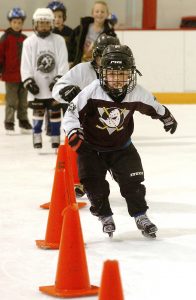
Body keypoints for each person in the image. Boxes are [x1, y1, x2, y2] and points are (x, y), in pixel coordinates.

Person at [62, 45, 178, 239]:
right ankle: (105, 216)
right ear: (102, 73)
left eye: (122, 74)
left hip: (122, 148)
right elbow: (70, 115)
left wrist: (166, 117)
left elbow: (154, 106)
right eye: (112, 74)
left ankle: (141, 215)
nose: (117, 79)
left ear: (131, 74)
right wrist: (75, 136)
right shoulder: (91, 92)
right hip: (91, 150)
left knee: (133, 184)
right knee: (94, 185)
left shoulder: (137, 93)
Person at [52, 33, 120, 197]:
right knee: (75, 142)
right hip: (81, 122)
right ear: (95, 55)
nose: (105, 61)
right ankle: (77, 182)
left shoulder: (120, 75)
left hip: (107, 123)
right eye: (102, 56)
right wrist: (65, 91)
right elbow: (57, 89)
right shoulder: (82, 70)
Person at [21, 8, 69, 149]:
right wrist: (28, 81)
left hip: (54, 87)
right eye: (40, 23)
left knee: (55, 112)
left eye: (46, 23)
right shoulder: (29, 42)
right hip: (38, 86)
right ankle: (36, 135)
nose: (43, 26)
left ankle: (55, 137)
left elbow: (63, 62)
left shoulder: (58, 40)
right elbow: (25, 64)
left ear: (52, 24)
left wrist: (58, 80)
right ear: (35, 24)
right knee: (38, 112)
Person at [0, 7, 32, 133]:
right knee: (11, 101)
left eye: (19, 22)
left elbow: (29, 57)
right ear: (10, 22)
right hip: (10, 76)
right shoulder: (5, 38)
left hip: (23, 76)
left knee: (23, 101)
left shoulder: (25, 39)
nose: (17, 25)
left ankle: (23, 121)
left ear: (22, 23)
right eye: (14, 22)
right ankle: (9, 122)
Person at [45, 1, 73, 136]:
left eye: (60, 16)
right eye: (54, 16)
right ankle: (51, 126)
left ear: (64, 17)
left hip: (67, 72)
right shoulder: (47, 34)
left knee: (67, 100)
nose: (57, 19)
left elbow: (74, 50)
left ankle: (68, 126)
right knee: (51, 100)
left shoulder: (70, 33)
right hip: (51, 73)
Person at [68, 0, 116, 66]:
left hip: (99, 68)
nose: (99, 14)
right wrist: (71, 60)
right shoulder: (82, 28)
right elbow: (71, 43)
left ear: (107, 14)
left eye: (102, 12)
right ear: (92, 13)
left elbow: (113, 51)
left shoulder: (110, 33)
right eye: (97, 11)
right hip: (81, 65)